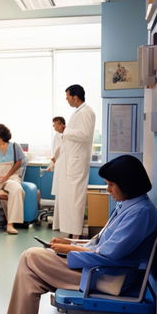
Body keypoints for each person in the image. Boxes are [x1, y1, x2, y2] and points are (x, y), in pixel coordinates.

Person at [0, 155, 157, 314]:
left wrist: (69, 250)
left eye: (111, 185)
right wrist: (71, 242)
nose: (109, 189)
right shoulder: (129, 206)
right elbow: (100, 244)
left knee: (30, 256)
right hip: (101, 270)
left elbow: (108, 256)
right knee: (30, 278)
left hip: (109, 277)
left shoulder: (139, 213)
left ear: (128, 185)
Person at [53, 84, 95, 238]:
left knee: (75, 199)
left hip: (76, 163)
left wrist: (66, 131)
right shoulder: (79, 112)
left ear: (75, 97)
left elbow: (84, 134)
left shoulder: (86, 112)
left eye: (67, 97)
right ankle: (70, 234)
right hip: (71, 163)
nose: (67, 100)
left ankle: (75, 235)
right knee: (69, 199)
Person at [48, 116, 66, 200]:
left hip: (64, 165)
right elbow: (55, 151)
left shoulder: (67, 135)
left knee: (63, 190)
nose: (53, 126)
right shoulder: (57, 135)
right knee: (59, 191)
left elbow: (58, 151)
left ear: (61, 124)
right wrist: (52, 164)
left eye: (54, 124)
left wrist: (52, 163)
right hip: (59, 164)